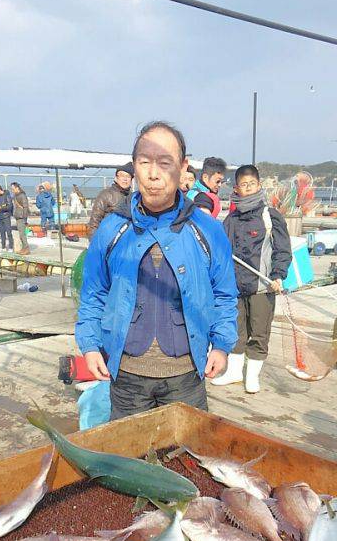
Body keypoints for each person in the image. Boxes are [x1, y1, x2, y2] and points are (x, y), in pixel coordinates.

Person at [76, 121, 237, 420]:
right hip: (126, 376)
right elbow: (93, 293)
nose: (153, 174)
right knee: (129, 460)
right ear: (134, 166)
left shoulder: (209, 231)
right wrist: (90, 345)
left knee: (187, 458)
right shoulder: (112, 228)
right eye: (144, 162)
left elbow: (224, 294)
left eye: (165, 163)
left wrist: (222, 345)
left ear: (183, 167)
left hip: (187, 376)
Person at [212, 164, 292, 393]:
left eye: (252, 184)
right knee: (235, 331)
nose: (248, 188)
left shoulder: (271, 216)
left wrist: (278, 275)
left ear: (258, 185)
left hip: (262, 287)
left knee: (259, 333)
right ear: (237, 188)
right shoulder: (231, 220)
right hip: (235, 288)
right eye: (243, 185)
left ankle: (252, 377)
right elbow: (221, 252)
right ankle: (235, 373)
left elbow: (283, 251)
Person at [88, 162, 134, 237]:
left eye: (128, 177)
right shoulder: (105, 194)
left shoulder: (133, 197)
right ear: (116, 178)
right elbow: (94, 221)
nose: (125, 179)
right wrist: (94, 242)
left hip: (126, 241)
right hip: (107, 238)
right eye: (122, 176)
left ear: (131, 180)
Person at [0, 183, 14, 252]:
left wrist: (1, 208)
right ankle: (3, 247)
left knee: (8, 232)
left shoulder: (7, 196)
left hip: (6, 216)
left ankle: (11, 247)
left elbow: (10, 207)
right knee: (2, 233)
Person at [11, 182, 30, 255]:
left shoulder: (22, 195)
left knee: (22, 234)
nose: (12, 190)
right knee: (21, 234)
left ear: (17, 188)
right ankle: (24, 248)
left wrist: (25, 218)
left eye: (13, 189)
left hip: (21, 217)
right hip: (18, 216)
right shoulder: (16, 196)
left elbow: (25, 207)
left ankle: (26, 248)